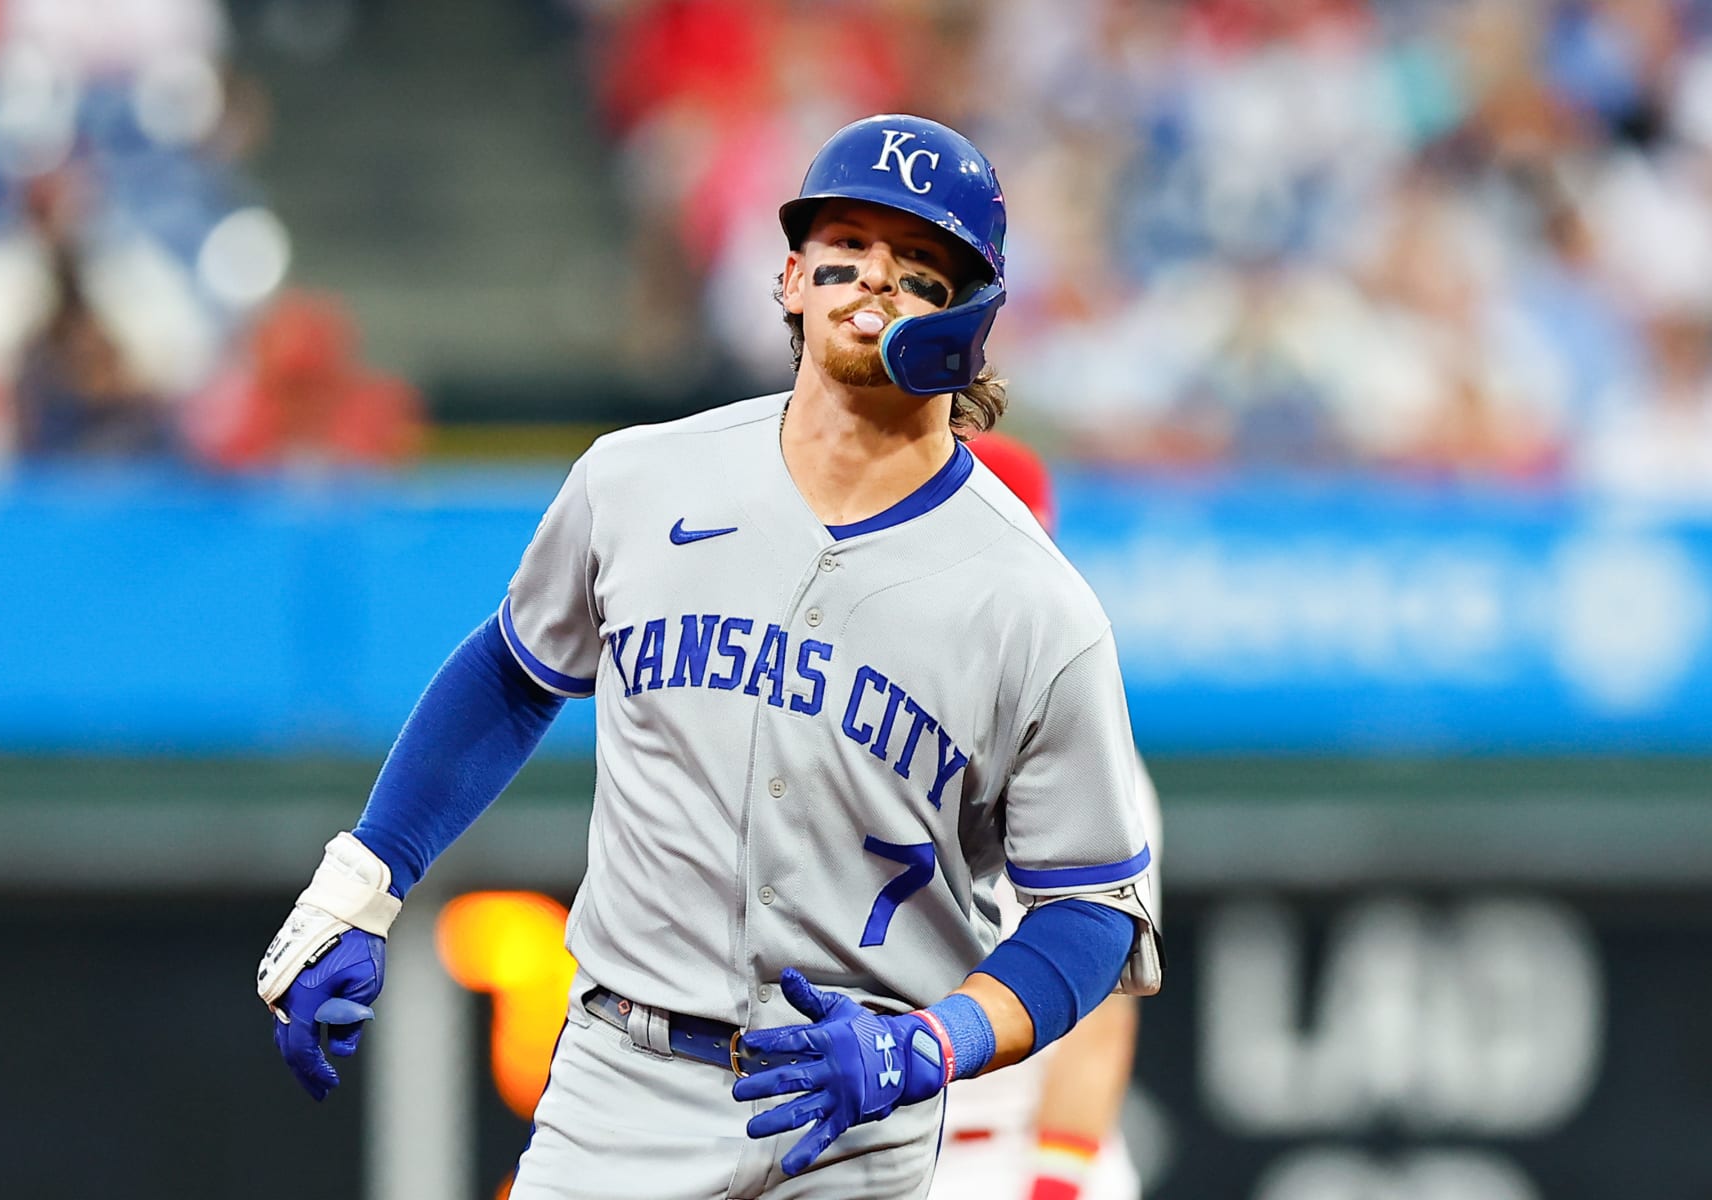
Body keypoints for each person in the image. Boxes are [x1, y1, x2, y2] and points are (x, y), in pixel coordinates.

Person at [256, 113, 1161, 1198]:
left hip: (853, 1117)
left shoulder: (1035, 602)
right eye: (847, 247)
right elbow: (512, 669)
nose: (874, 279)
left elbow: (1092, 912)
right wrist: (363, 881)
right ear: (790, 277)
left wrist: (932, 1043)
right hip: (619, 1082)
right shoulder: (640, 481)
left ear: (971, 318)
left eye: (919, 266)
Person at [930, 432, 1163, 1200]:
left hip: (1015, 1152)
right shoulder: (869, 716)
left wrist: (1053, 1185)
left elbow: (1102, 1007)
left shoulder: (1084, 742)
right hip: (879, 1152)